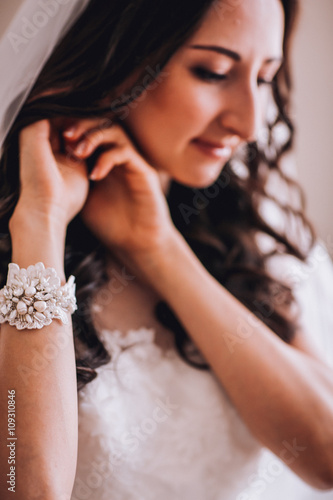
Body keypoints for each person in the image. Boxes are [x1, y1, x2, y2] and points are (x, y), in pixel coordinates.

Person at [0, 0, 333, 498]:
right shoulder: (22, 242)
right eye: (212, 71)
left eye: (265, 78)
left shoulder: (251, 226)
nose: (249, 123)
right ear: (116, 62)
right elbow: (27, 488)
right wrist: (41, 223)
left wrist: (157, 248)